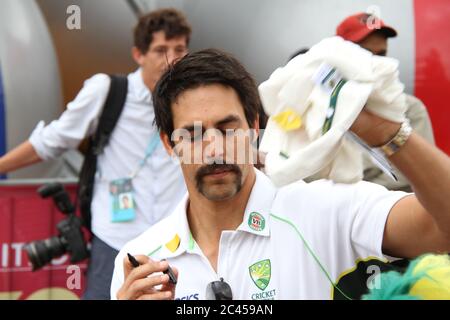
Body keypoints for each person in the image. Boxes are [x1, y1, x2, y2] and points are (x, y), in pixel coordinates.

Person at [110, 49, 450, 300]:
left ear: (255, 126)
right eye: (195, 135)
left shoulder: (326, 207)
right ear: (170, 144)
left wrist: (387, 134)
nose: (215, 149)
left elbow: (440, 230)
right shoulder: (141, 259)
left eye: (228, 129)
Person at [0, 8, 191, 299]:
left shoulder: (194, 100)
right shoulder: (108, 91)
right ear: (138, 54)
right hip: (115, 240)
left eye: (179, 49)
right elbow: (52, 140)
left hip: (176, 240)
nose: (171, 59)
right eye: (160, 50)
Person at [336, 12, 436, 192]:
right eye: (365, 53)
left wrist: (356, 194)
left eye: (381, 54)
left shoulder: (410, 109)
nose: (376, 63)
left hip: (394, 211)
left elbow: (421, 169)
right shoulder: (321, 108)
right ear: (340, 53)